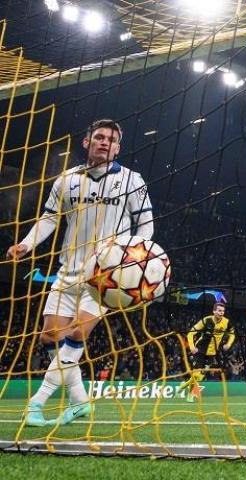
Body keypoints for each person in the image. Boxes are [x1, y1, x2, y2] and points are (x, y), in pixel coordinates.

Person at [6, 119, 153, 426]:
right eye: (98, 137)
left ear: (117, 148)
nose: (104, 142)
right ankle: (80, 401)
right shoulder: (66, 179)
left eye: (110, 139)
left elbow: (146, 227)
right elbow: (49, 219)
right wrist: (26, 243)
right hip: (67, 271)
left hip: (104, 275)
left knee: (77, 333)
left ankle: (37, 401)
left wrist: (134, 267)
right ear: (87, 142)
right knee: (49, 336)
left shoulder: (132, 180)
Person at [180, 303, 236, 402]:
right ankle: (190, 395)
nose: (221, 313)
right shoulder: (206, 321)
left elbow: (232, 334)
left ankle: (183, 386)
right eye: (219, 310)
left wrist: (228, 344)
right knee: (196, 374)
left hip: (212, 353)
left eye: (222, 311)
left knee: (200, 377)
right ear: (214, 311)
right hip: (200, 351)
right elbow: (191, 333)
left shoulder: (227, 322)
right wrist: (192, 347)